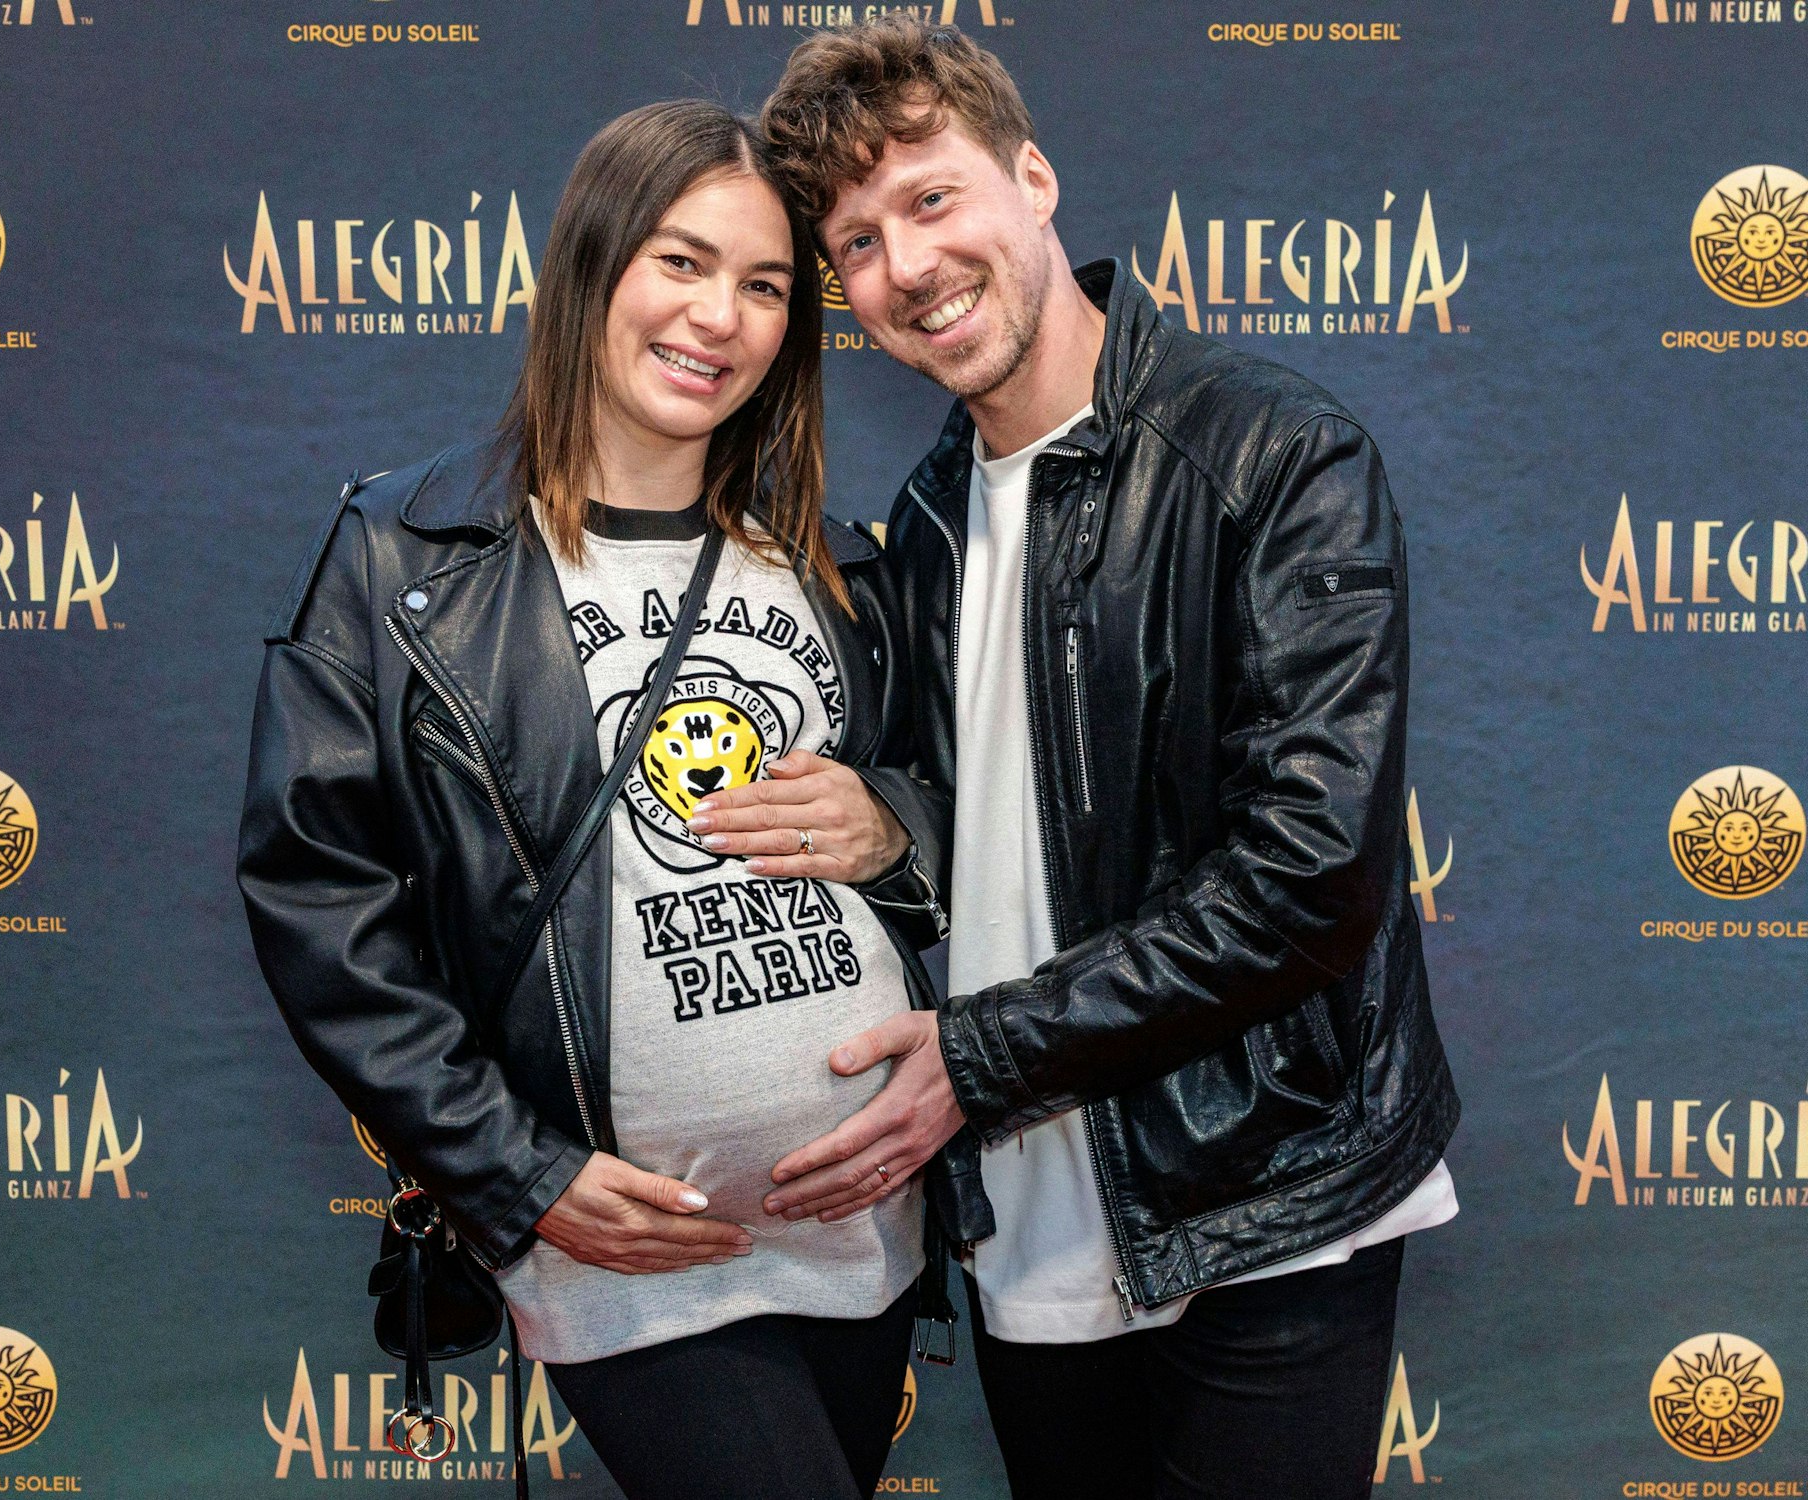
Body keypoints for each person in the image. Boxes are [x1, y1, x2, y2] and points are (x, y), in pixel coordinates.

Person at [700, 20, 1463, 1498]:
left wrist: (976, 1060)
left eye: (931, 199)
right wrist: (887, 827)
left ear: (1033, 180)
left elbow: (1311, 877)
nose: (906, 266)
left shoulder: (1272, 457)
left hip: (1269, 1208)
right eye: (855, 243)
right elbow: (996, 815)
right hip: (1033, 1241)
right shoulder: (919, 527)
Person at [237, 99, 958, 1500]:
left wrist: (894, 831)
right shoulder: (410, 561)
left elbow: (957, 819)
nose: (722, 317)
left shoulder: (834, 568)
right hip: (626, 1253)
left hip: (864, 1231)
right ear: (592, 268)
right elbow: (320, 903)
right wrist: (516, 1175)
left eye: (764, 285)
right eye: (681, 263)